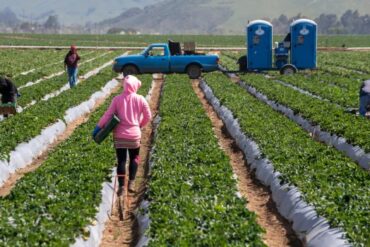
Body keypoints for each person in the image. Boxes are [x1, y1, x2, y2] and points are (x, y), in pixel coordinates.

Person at [93, 75, 151, 195]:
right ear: (135, 86)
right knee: (135, 157)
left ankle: (121, 187)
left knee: (121, 161)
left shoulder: (117, 99)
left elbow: (108, 115)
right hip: (134, 136)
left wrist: (98, 127)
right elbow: (148, 116)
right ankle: (132, 182)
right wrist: (139, 125)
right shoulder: (140, 99)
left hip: (120, 136)